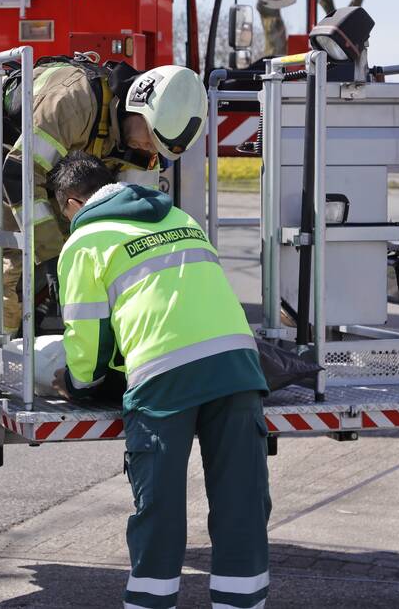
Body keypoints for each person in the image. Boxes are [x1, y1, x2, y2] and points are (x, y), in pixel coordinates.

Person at [49, 153, 272, 609]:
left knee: (161, 509)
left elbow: (86, 335)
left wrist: (77, 384)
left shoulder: (86, 240)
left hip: (164, 375)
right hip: (238, 365)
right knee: (242, 504)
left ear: (71, 203)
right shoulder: (179, 216)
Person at [0, 56, 208, 348]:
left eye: (158, 147)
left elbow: (131, 215)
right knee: (13, 258)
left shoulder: (139, 139)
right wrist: (54, 258)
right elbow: (16, 175)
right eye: (150, 139)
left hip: (47, 164)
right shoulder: (75, 102)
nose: (149, 149)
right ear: (137, 107)